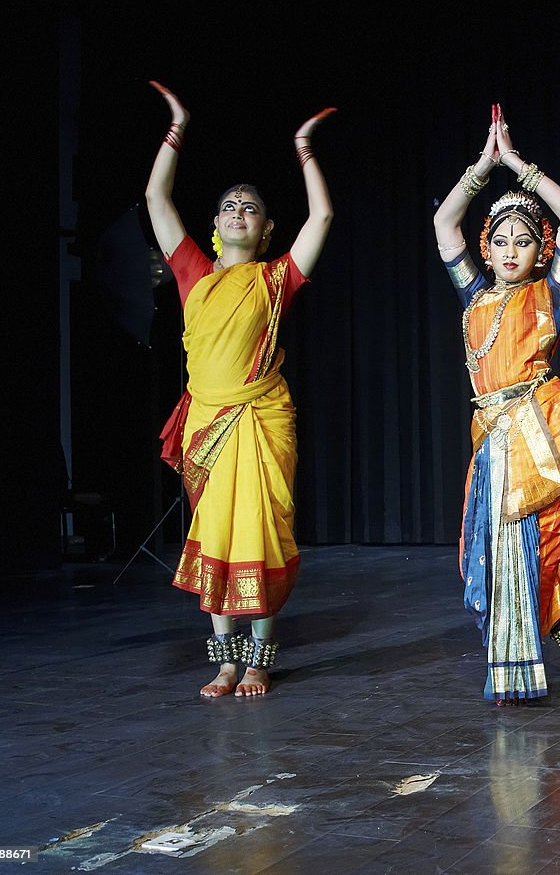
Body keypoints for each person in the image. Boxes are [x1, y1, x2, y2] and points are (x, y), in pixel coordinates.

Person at [144, 80, 335, 698]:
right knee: (218, 536)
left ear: (267, 227)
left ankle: (259, 658)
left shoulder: (277, 278)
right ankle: (225, 662)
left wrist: (304, 149)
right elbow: (155, 195)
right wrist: (177, 125)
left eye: (249, 206)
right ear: (214, 223)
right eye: (228, 204)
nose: (237, 211)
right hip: (207, 425)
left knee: (263, 531)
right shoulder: (194, 274)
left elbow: (323, 216)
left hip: (260, 422)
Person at [433, 104, 560, 706]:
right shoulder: (475, 295)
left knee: (534, 551)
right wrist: (482, 169)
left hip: (540, 433)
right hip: (492, 439)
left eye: (525, 240)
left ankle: (550, 654)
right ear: (487, 250)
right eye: (501, 240)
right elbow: (444, 224)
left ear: (543, 249)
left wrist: (517, 165)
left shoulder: (549, 296)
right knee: (489, 559)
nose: (512, 249)